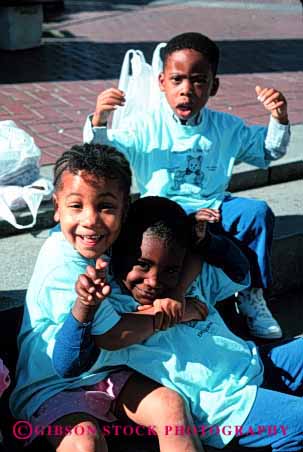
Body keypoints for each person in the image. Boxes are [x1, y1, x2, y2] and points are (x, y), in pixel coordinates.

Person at [83, 31, 291, 340]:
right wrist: (99, 120)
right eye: (177, 80)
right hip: (161, 211)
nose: (187, 91)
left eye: (198, 81)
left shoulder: (226, 127)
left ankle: (250, 295)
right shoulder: (145, 125)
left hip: (214, 206)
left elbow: (267, 151)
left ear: (213, 85)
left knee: (255, 212)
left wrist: (279, 118)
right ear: (161, 82)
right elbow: (105, 154)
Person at [57, 196, 303, 452]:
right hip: (225, 405)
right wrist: (167, 313)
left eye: (169, 270)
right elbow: (75, 355)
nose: (154, 281)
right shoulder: (113, 306)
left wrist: (203, 247)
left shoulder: (184, 281)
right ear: (119, 255)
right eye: (142, 265)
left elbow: (239, 269)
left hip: (254, 365)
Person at [10, 144, 205, 452]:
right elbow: (113, 335)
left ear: (125, 210)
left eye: (105, 207)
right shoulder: (64, 266)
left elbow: (196, 253)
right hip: (51, 387)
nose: (91, 220)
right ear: (56, 206)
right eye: (76, 206)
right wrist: (174, 312)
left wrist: (178, 291)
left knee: (171, 405)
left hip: (111, 374)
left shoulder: (108, 241)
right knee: (84, 439)